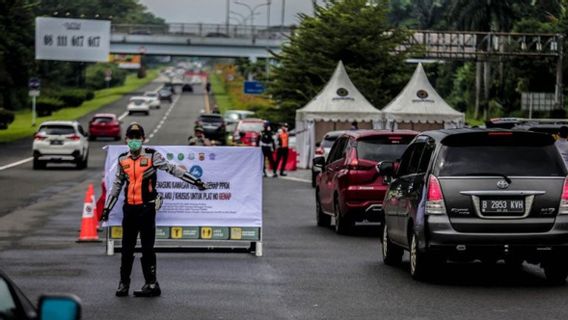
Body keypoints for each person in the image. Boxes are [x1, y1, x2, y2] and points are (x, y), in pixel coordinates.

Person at [101, 122, 208, 298]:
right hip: (129, 210)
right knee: (126, 248)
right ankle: (123, 283)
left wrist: (196, 181)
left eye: (137, 137)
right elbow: (117, 185)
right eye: (131, 137)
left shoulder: (152, 156)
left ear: (143, 139)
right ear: (126, 139)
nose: (134, 140)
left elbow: (173, 170)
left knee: (147, 247)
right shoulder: (122, 159)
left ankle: (151, 284)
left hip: (147, 209)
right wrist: (106, 209)